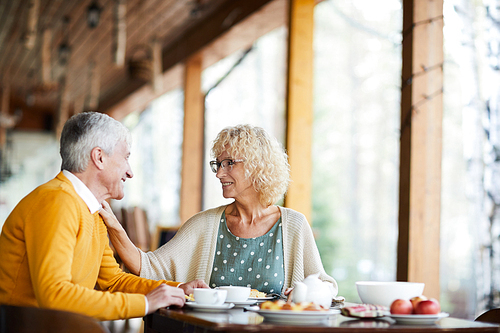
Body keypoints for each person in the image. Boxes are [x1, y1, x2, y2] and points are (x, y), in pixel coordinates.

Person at [0, 111, 208, 321]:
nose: (130, 172)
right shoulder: (58, 201)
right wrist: (146, 303)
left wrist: (178, 290)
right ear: (99, 157)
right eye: (126, 157)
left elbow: (113, 282)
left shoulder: (93, 209)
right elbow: (55, 295)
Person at [102, 124, 338, 297]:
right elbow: (147, 267)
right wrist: (113, 223)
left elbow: (325, 285)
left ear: (257, 166)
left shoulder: (293, 225)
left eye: (229, 163)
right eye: (218, 164)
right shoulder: (204, 224)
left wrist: (305, 292)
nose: (219, 173)